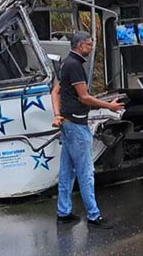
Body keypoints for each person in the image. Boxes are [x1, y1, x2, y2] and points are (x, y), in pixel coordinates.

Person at [51, 32, 124, 229]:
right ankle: (94, 215)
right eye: (90, 44)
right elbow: (84, 97)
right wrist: (109, 106)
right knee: (85, 171)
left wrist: (57, 114)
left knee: (67, 171)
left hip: (67, 123)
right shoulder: (75, 66)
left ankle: (63, 211)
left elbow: (55, 91)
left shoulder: (66, 63)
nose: (92, 48)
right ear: (81, 45)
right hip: (76, 124)